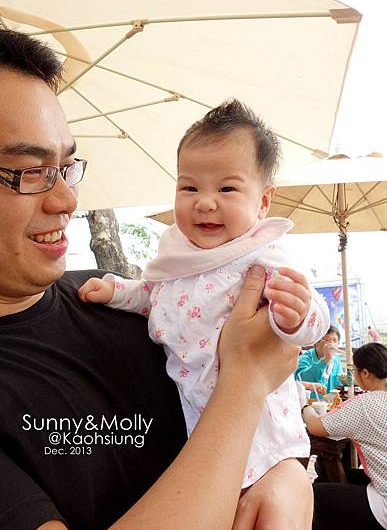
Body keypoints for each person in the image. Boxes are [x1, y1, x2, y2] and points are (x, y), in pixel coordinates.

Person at [0, 28, 312, 530]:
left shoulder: (112, 300)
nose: (66, 200)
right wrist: (245, 384)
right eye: (28, 171)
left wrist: (290, 474)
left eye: (65, 167)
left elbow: (230, 428)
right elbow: (238, 392)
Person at [79, 99, 330, 508]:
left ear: (263, 201)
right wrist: (117, 293)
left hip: (265, 429)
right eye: (189, 187)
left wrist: (298, 314)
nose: (205, 202)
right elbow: (154, 296)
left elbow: (312, 320)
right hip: (201, 422)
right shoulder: (174, 254)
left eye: (227, 188)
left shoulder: (259, 254)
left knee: (272, 509)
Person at [301, 343, 387, 530]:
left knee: (313, 494)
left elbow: (315, 426)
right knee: (332, 474)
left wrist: (305, 406)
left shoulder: (365, 404)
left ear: (365, 373)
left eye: (355, 370)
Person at [296, 326, 343, 397]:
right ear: (316, 342)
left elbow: (339, 383)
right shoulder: (304, 359)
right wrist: (325, 360)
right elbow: (303, 380)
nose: (331, 344)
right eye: (327, 340)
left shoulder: (336, 359)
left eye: (334, 340)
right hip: (308, 404)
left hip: (329, 404)